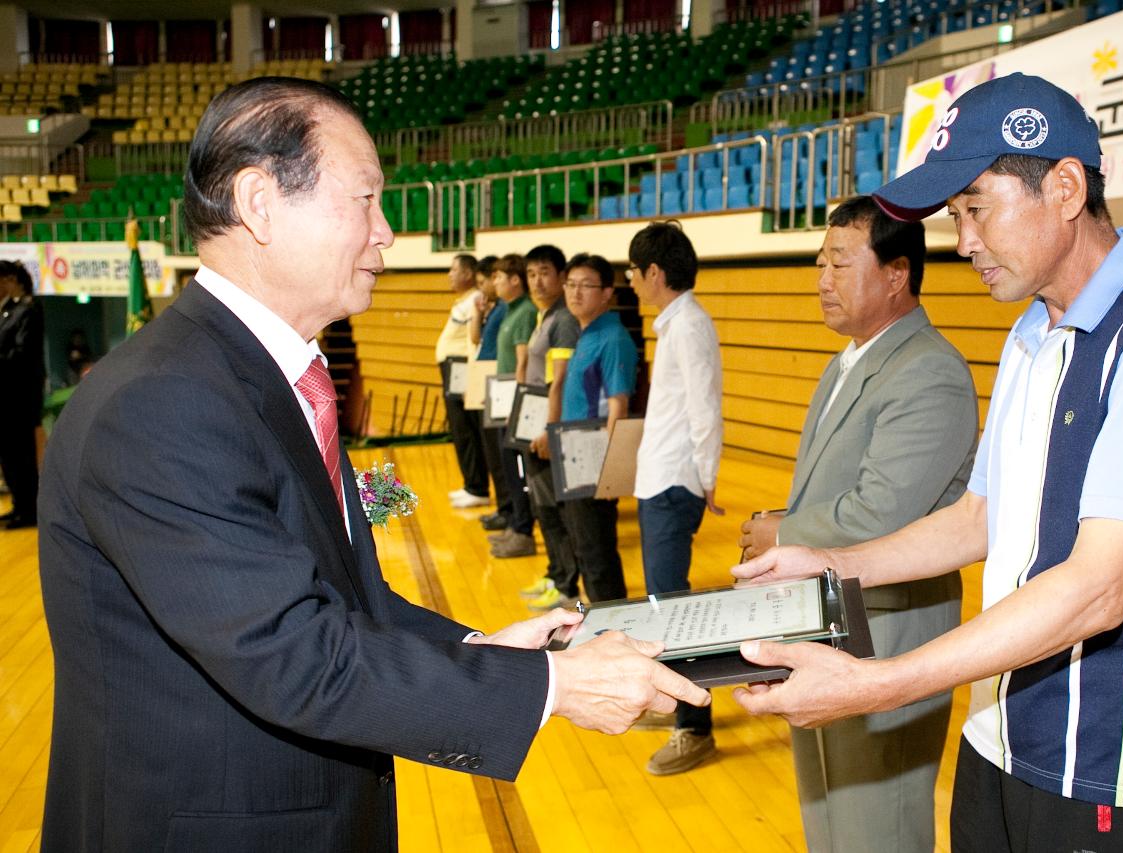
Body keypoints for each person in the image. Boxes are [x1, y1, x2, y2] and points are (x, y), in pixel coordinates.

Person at [36, 77, 709, 853]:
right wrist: (555, 685)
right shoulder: (162, 404)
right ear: (260, 203)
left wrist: (480, 648)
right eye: (365, 199)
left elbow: (347, 602)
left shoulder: (255, 378)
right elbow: (295, 655)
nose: (386, 232)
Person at [733, 73, 1123, 853]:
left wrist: (876, 683)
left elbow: (1099, 590)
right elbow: (978, 517)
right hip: (997, 734)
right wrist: (832, 561)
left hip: (1108, 764)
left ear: (1066, 187)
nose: (962, 240)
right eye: (954, 215)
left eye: (976, 207)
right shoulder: (1030, 333)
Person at [738, 196, 978, 852]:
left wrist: (781, 533)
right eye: (820, 262)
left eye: (839, 262)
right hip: (827, 617)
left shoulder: (930, 371)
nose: (822, 278)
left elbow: (882, 509)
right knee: (828, 811)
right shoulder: (848, 360)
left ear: (897, 273)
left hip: (888, 629)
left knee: (880, 822)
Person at [623, 222, 725, 775]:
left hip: (672, 484)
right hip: (659, 480)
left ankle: (695, 727)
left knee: (676, 612)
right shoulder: (677, 324)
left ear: (654, 274)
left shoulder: (688, 326)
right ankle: (681, 704)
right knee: (666, 606)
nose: (633, 282)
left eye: (634, 273)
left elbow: (705, 407)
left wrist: (706, 479)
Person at [556, 253, 636, 604]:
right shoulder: (585, 333)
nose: (575, 293)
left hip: (594, 458)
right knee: (585, 546)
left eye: (586, 286)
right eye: (570, 285)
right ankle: (596, 618)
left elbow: (618, 405)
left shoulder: (613, 337)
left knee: (598, 550)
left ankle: (611, 627)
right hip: (574, 455)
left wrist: (610, 468)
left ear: (607, 293)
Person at [515, 244, 582, 610]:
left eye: (544, 272)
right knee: (542, 505)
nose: (537, 281)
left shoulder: (564, 320)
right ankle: (555, 572)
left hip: (548, 430)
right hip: (535, 426)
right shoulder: (545, 317)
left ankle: (567, 584)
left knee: (555, 508)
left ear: (560, 276)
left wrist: (549, 429)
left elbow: (560, 380)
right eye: (531, 274)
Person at [488, 253, 539, 558]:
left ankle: (523, 531)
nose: (495, 282)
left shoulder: (526, 312)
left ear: (514, 280)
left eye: (499, 277)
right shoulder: (510, 310)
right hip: (505, 401)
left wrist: (516, 407)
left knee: (518, 472)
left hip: (515, 404)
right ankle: (515, 526)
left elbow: (522, 362)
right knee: (507, 467)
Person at [437, 253, 490, 509]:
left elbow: (472, 342)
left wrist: (470, 379)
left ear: (468, 273)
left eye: (453, 269)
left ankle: (477, 487)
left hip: (462, 370)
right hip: (453, 369)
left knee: (466, 430)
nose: (450, 274)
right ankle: (471, 483)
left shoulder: (475, 299)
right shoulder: (464, 300)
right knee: (460, 430)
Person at [467, 255, 512, 530]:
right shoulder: (495, 308)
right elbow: (477, 339)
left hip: (498, 381)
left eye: (493, 279)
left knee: (500, 453)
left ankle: (509, 511)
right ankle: (504, 507)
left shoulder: (507, 309)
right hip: (488, 380)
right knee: (493, 452)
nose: (487, 285)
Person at [0, 259, 44, 530]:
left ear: (10, 280)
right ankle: (18, 504)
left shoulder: (28, 310)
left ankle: (29, 510)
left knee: (22, 457)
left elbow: (22, 355)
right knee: (8, 456)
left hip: (19, 398)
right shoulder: (8, 312)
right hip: (5, 398)